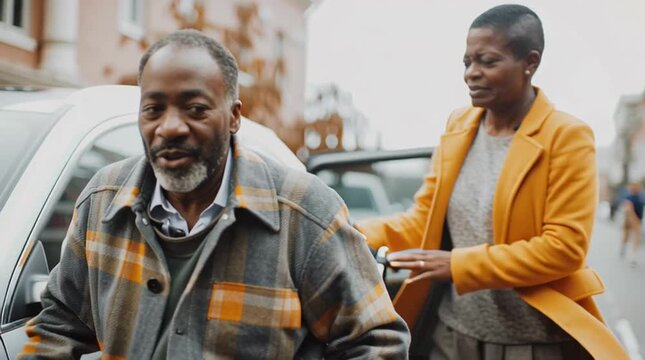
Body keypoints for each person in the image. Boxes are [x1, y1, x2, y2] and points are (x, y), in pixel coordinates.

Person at [20, 29, 409, 359]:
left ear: (235, 115)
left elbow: (376, 343)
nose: (170, 127)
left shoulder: (305, 213)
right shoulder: (101, 201)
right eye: (153, 109)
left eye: (195, 108)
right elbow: (60, 325)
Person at [357, 5, 628, 360]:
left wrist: (458, 265)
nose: (472, 73)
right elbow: (423, 220)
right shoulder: (458, 125)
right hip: (450, 334)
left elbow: (563, 248)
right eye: (467, 62)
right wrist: (346, 229)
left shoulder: (566, 136)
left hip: (531, 342)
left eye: (487, 61)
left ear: (530, 62)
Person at [621, 182, 643, 266]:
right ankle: (623, 246)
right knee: (626, 236)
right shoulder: (628, 197)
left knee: (636, 238)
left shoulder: (641, 197)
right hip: (629, 220)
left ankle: (634, 256)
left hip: (638, 220)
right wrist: (634, 220)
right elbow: (628, 209)